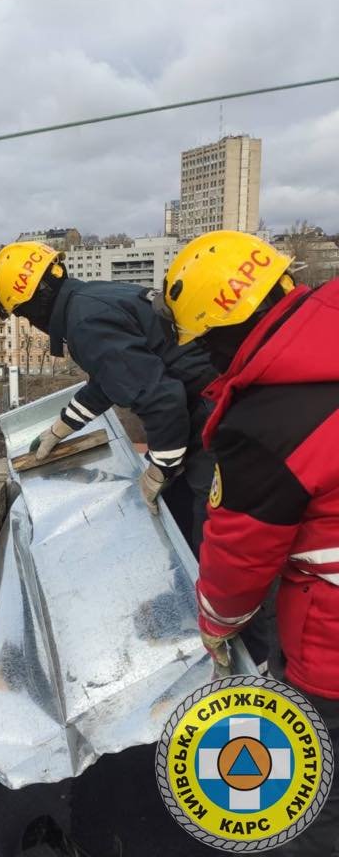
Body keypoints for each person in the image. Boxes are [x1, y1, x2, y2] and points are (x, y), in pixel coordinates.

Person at [156, 229, 339, 855]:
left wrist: (215, 618)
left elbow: (241, 550)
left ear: (223, 328)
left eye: (206, 340)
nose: (207, 356)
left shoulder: (266, 421)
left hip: (333, 640)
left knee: (313, 800)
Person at [0, 240, 216, 548]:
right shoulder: (87, 299)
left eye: (23, 313)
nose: (28, 322)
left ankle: (218, 595)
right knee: (180, 504)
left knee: (211, 526)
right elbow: (114, 378)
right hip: (204, 399)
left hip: (211, 411)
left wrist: (159, 471)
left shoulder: (85, 324)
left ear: (36, 303)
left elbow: (162, 400)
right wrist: (62, 427)